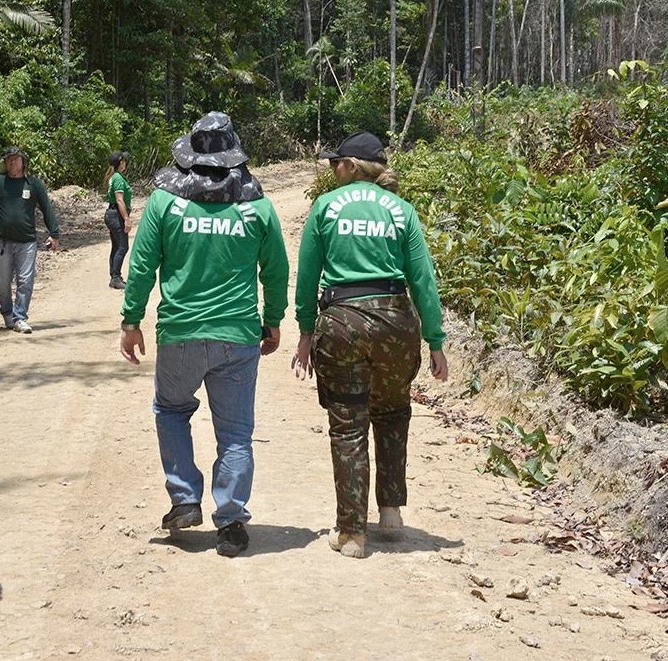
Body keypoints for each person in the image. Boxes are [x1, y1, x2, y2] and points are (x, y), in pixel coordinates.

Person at [119, 111, 289, 558]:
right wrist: (272, 320)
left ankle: (185, 498)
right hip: (237, 335)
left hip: (179, 335)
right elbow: (276, 270)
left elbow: (141, 266)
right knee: (235, 432)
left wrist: (132, 320)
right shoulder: (257, 205)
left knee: (171, 410)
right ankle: (231, 521)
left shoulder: (164, 203)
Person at [291, 131, 449, 559]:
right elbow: (423, 280)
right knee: (394, 412)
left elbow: (307, 279)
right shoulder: (403, 211)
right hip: (397, 323)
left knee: (348, 425)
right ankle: (391, 511)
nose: (331, 170)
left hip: (342, 321)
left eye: (334, 163)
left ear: (352, 167)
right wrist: (435, 340)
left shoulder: (325, 207)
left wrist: (305, 333)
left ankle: (352, 533)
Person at [0, 146, 61, 333]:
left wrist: (54, 233)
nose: (11, 163)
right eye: (8, 160)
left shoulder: (33, 184)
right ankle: (7, 314)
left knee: (25, 280)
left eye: (15, 159)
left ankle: (20, 317)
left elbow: (46, 208)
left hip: (27, 241)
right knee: (2, 282)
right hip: (2, 242)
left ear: (23, 161)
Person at [103, 150, 132, 290]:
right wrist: (126, 219)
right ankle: (116, 277)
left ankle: (114, 276)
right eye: (124, 160)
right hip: (116, 215)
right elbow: (120, 201)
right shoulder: (118, 179)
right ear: (121, 162)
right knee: (123, 246)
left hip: (112, 214)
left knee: (116, 246)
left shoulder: (115, 177)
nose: (125, 162)